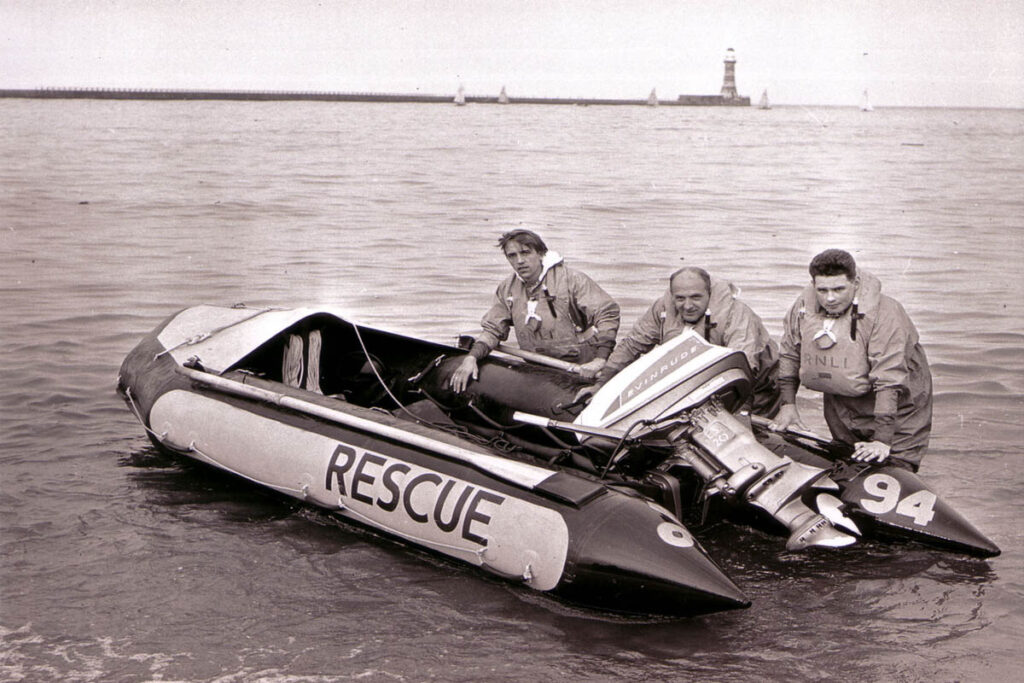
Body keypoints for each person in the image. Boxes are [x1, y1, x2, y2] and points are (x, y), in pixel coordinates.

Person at [769, 249, 933, 471]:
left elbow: (890, 379)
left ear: (855, 282)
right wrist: (788, 405)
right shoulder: (803, 307)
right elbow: (789, 352)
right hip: (844, 406)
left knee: (894, 469)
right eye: (822, 290)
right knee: (848, 468)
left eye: (838, 289)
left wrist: (883, 440)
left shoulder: (887, 314)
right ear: (813, 285)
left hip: (899, 409)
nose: (830, 298)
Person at [580, 266, 782, 417]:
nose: (687, 306)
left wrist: (738, 414)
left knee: (750, 430)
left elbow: (745, 365)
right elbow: (631, 345)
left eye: (696, 297)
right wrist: (601, 384)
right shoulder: (663, 308)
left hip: (759, 386)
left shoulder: (736, 313)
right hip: (703, 377)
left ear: (709, 294)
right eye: (680, 298)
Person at [450, 229, 620, 392]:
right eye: (512, 256)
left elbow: (607, 314)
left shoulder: (571, 279)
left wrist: (600, 359)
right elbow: (493, 330)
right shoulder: (507, 289)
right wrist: (471, 358)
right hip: (538, 367)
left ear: (540, 254)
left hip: (582, 366)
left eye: (525, 253)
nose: (519, 261)